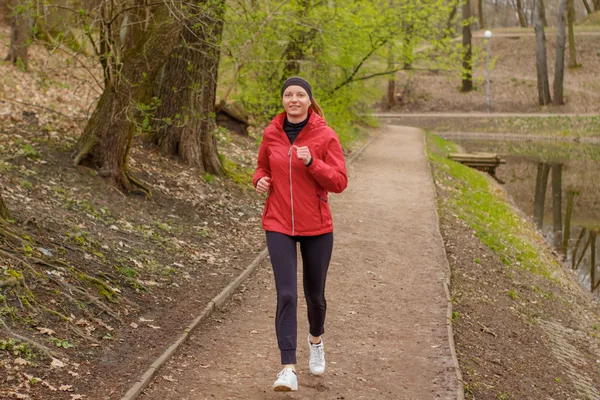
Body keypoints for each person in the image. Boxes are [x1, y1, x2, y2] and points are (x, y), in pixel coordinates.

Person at [253, 76, 348, 392]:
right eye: (288, 94)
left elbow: (339, 181)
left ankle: (316, 339)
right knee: (287, 294)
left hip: (317, 226)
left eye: (299, 94)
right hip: (278, 222)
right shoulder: (271, 134)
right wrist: (260, 181)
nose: (293, 99)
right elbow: (261, 168)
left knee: (314, 296)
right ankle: (287, 368)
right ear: (283, 100)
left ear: (309, 100)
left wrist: (313, 163)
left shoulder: (325, 135)